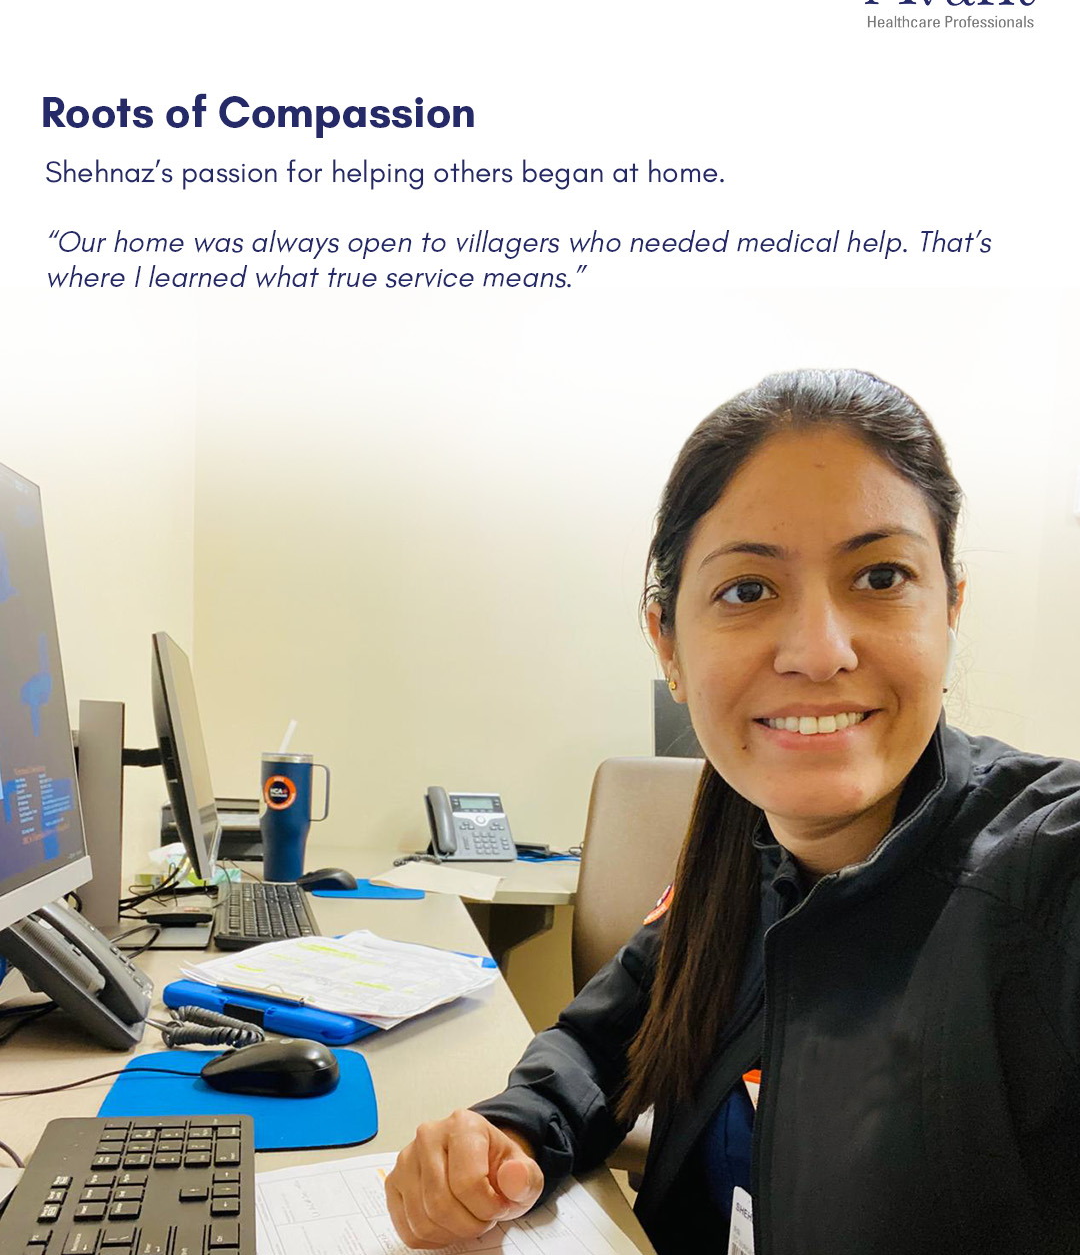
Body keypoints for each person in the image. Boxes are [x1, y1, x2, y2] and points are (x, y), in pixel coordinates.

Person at [385, 369, 1080, 1255]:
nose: (820, 651)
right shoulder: (741, 854)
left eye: (880, 575)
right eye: (748, 591)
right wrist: (512, 1132)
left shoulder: (1047, 871)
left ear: (950, 608)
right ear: (667, 644)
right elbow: (605, 1040)